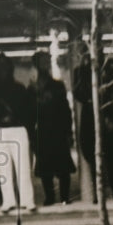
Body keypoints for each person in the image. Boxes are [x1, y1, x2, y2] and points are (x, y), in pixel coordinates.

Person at [73, 52, 113, 203]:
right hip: (92, 121)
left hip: (108, 121)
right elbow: (79, 93)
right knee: (93, 158)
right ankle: (99, 193)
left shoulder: (112, 84)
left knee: (110, 160)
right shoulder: (86, 81)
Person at [0, 53, 36, 212]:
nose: (3, 71)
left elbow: (28, 112)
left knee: (21, 167)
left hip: (13, 129)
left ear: (10, 69)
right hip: (5, 130)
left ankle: (25, 201)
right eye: (0, 68)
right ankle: (11, 201)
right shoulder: (14, 89)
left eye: (5, 67)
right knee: (4, 168)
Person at [31, 50, 76, 206]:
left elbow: (65, 110)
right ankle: (50, 197)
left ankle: (64, 196)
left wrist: (69, 131)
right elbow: (30, 115)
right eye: (42, 61)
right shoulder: (33, 89)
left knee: (62, 166)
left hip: (57, 130)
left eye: (46, 61)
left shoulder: (57, 86)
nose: (45, 64)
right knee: (46, 167)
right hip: (43, 131)